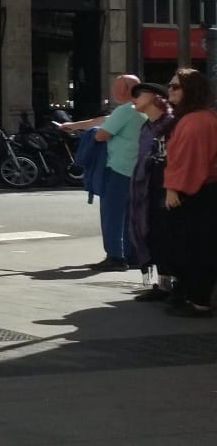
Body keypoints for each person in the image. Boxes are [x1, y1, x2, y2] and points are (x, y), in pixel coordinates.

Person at [64, 73, 143, 270]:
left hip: (118, 167)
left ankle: (115, 256)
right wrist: (73, 126)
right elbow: (103, 120)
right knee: (129, 214)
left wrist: (91, 133)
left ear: (125, 89)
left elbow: (101, 134)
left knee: (112, 215)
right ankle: (131, 254)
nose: (112, 90)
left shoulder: (125, 110)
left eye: (115, 87)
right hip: (136, 168)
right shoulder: (142, 109)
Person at [157, 70, 216, 315]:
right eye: (169, 86)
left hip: (196, 193)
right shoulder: (196, 118)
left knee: (192, 247)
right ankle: (194, 296)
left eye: (175, 87)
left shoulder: (196, 121)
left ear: (190, 90)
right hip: (200, 191)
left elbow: (187, 160)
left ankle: (199, 301)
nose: (169, 91)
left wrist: (173, 188)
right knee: (191, 246)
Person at [129, 80, 176, 303]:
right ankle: (163, 282)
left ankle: (176, 283)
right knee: (153, 232)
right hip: (146, 187)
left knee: (168, 233)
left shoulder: (171, 123)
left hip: (166, 187)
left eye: (139, 93)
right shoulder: (147, 126)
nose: (134, 98)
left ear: (156, 98)